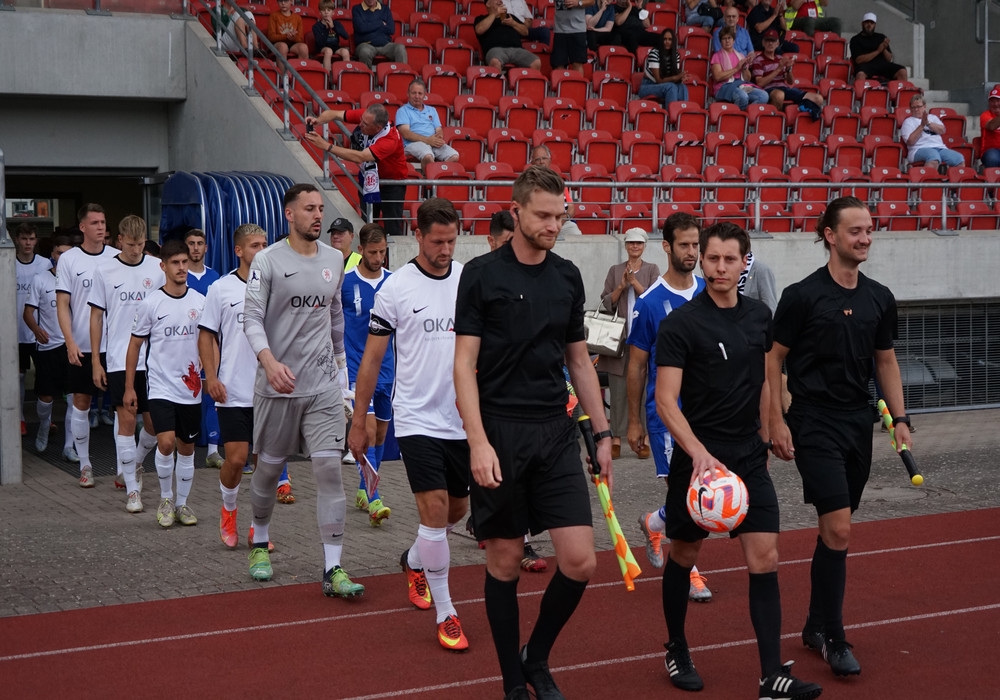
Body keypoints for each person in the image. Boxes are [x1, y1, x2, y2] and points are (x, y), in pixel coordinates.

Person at [454, 166, 613, 700]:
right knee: (504, 563)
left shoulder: (567, 276)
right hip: (499, 433)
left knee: (581, 561)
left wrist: (603, 434)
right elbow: (463, 364)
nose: (553, 225)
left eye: (560, 216)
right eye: (543, 216)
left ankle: (536, 656)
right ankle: (511, 683)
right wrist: (478, 442)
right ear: (516, 211)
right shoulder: (480, 275)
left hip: (555, 432)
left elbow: (579, 361)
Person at [654, 221, 823, 700]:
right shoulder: (680, 324)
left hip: (748, 456)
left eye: (730, 259)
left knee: (765, 557)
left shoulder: (760, 316)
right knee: (684, 555)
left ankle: (772, 676)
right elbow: (666, 400)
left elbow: (767, 380)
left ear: (744, 262)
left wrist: (770, 434)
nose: (720, 267)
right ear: (702, 261)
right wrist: (697, 452)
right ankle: (676, 647)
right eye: (713, 258)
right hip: (698, 461)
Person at [766, 196, 912, 678]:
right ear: (830, 235)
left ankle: (813, 625)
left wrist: (901, 418)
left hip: (857, 423)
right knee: (841, 528)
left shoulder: (879, 297)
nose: (865, 238)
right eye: (855, 231)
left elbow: (885, 361)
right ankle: (833, 636)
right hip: (812, 421)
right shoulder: (802, 295)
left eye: (869, 230)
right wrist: (776, 420)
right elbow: (773, 358)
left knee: (835, 531)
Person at [348, 198, 469, 650]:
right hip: (416, 417)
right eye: (437, 241)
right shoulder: (395, 288)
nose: (445, 250)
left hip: (461, 420)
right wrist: (358, 419)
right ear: (417, 236)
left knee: (457, 510)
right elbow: (371, 359)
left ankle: (416, 559)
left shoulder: (468, 280)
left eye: (451, 241)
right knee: (434, 511)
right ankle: (447, 612)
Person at [242, 183, 364, 598]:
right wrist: (269, 362)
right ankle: (260, 541)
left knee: (329, 470)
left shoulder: (334, 259)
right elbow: (251, 319)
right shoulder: (267, 260)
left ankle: (333, 568)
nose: (318, 215)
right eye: (309, 208)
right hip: (278, 387)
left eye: (320, 208)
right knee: (268, 470)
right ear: (289, 214)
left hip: (322, 386)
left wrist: (342, 373)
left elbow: (335, 317)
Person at [627, 212, 712, 603]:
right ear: (667, 247)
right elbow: (636, 365)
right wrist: (633, 422)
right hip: (666, 414)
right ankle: (690, 571)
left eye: (696, 245)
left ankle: (654, 521)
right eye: (684, 245)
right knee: (686, 493)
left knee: (693, 493)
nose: (692, 252)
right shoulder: (649, 303)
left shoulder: (709, 291)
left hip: (707, 412)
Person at [480, 208, 549, 573]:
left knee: (513, 476)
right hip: (479, 397)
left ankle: (520, 540)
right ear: (491, 241)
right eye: (507, 242)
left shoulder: (534, 280)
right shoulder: (477, 279)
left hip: (519, 403)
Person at [198, 224, 272, 549]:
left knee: (266, 466)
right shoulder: (221, 288)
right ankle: (228, 510)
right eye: (255, 245)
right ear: (238, 250)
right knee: (238, 460)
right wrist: (211, 377)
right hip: (233, 390)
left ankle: (259, 528)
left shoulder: (276, 286)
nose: (261, 250)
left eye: (265, 244)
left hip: (269, 390)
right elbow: (206, 335)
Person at [123, 239, 206, 529]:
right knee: (167, 442)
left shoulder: (200, 301)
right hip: (160, 386)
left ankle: (182, 503)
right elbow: (134, 346)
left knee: (187, 447)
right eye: (175, 263)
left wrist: (212, 374)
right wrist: (130, 387)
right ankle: (166, 499)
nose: (181, 267)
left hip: (191, 388)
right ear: (163, 266)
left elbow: (209, 342)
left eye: (184, 262)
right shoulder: (151, 303)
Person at [88, 215, 164, 512]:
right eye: (131, 244)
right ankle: (132, 491)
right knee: (127, 419)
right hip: (120, 358)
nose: (136, 250)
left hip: (154, 359)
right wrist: (96, 361)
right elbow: (96, 318)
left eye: (141, 244)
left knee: (155, 424)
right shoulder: (105, 271)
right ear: (120, 240)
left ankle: (135, 463)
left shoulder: (156, 269)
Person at [56, 204, 118, 487]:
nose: (101, 227)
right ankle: (85, 465)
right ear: (82, 227)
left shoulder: (116, 257)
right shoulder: (69, 259)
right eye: (95, 223)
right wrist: (69, 342)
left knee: (121, 407)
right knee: (81, 403)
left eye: (103, 222)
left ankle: (124, 467)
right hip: (81, 344)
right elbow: (63, 304)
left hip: (114, 347)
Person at [341, 223, 394, 527]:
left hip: (387, 370)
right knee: (369, 431)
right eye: (373, 252)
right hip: (357, 369)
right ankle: (375, 500)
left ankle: (363, 491)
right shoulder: (346, 283)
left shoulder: (393, 282)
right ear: (360, 250)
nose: (378, 258)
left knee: (381, 435)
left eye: (382, 252)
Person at [599, 227, 660, 460]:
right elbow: (606, 303)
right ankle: (616, 438)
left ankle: (643, 438)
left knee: (644, 389)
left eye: (639, 243)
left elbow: (654, 300)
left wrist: (634, 283)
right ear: (625, 245)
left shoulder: (652, 269)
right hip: (619, 340)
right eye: (631, 243)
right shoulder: (615, 270)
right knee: (617, 390)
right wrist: (621, 286)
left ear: (644, 245)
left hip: (644, 339)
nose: (635, 246)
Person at [305, 104, 408, 237]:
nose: (360, 125)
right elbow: (333, 113)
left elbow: (360, 157)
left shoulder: (390, 140)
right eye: (361, 120)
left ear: (377, 128)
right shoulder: (367, 116)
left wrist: (327, 146)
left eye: (365, 124)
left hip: (391, 184)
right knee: (368, 223)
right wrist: (317, 120)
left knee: (392, 227)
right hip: (369, 178)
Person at [23, 235, 75, 457]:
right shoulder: (41, 279)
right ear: (52, 255)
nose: (62, 257)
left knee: (74, 398)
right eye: (59, 253)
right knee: (46, 398)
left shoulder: (78, 280)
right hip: (48, 348)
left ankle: (69, 446)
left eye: (67, 253)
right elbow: (28, 313)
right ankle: (44, 425)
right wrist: (36, 330)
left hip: (74, 347)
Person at [184, 229, 225, 471]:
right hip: (183, 345)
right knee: (185, 397)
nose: (196, 248)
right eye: (191, 243)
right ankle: (183, 446)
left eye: (200, 243)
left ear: (206, 248)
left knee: (211, 394)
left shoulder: (215, 277)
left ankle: (212, 450)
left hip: (209, 345)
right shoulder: (180, 275)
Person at [14, 223, 52, 437]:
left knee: (44, 378)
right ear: (17, 240)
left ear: (36, 240)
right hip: (17, 333)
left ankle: (46, 420)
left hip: (40, 333)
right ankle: (19, 419)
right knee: (19, 378)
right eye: (24, 239)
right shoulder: (9, 263)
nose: (27, 243)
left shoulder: (44, 264)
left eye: (31, 239)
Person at [751, 29, 824, 114]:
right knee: (779, 95)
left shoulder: (780, 58)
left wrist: (789, 69)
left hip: (785, 88)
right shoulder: (758, 60)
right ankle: (776, 119)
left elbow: (790, 81)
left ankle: (801, 110)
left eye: (773, 41)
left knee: (818, 99)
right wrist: (778, 69)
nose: (770, 43)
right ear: (763, 43)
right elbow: (760, 83)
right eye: (767, 40)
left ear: (777, 43)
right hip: (768, 89)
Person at [395, 78, 460, 167]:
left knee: (454, 156)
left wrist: (439, 137)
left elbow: (438, 129)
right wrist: (428, 140)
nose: (417, 96)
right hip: (412, 143)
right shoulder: (402, 111)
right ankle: (431, 175)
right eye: (414, 93)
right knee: (428, 156)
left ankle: (436, 172)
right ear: (408, 94)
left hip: (432, 142)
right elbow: (406, 134)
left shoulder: (432, 110)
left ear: (424, 95)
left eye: (420, 93)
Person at [529, 146, 582, 237]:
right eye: (537, 159)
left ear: (550, 160)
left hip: (562, 222)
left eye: (544, 158)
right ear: (532, 163)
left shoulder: (558, 181)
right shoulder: (527, 182)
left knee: (575, 233)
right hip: (539, 223)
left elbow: (571, 208)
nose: (541, 162)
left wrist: (561, 220)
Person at [475, 0, 542, 72]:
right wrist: (494, 14)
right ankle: (498, 79)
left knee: (536, 62)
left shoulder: (511, 17)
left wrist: (513, 23)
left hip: (517, 50)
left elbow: (525, 32)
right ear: (488, 4)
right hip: (496, 50)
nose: (500, 1)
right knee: (495, 62)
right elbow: (479, 30)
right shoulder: (481, 18)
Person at [900, 95, 965, 169]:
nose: (916, 109)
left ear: (924, 107)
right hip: (918, 149)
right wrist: (921, 126)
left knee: (959, 159)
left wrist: (928, 123)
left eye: (918, 107)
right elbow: (910, 142)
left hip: (939, 147)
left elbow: (942, 130)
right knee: (933, 156)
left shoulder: (933, 117)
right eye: (913, 107)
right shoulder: (908, 121)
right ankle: (929, 176)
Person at [710, 26, 768, 109]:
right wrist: (736, 69)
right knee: (743, 96)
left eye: (729, 38)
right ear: (720, 42)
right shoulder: (717, 56)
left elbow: (747, 79)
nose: (727, 41)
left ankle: (747, 114)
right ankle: (738, 115)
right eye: (724, 38)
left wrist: (744, 68)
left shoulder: (740, 56)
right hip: (723, 87)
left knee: (764, 96)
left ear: (733, 40)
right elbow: (717, 77)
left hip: (741, 85)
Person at [637, 27, 691, 108]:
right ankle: (670, 114)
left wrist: (680, 78)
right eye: (665, 39)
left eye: (670, 39)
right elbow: (659, 80)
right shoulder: (654, 53)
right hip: (648, 85)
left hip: (666, 84)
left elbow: (673, 74)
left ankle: (682, 113)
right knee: (671, 87)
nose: (667, 42)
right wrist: (676, 77)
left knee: (682, 87)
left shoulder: (676, 55)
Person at [849, 12, 907, 83]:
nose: (869, 25)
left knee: (902, 71)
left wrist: (884, 48)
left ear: (875, 25)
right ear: (862, 24)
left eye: (872, 23)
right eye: (867, 22)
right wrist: (878, 51)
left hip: (882, 65)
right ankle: (861, 90)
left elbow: (889, 59)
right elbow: (858, 60)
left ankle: (901, 90)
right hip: (865, 66)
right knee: (860, 75)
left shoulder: (881, 37)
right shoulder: (855, 39)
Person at [352, 0, 408, 68]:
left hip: (385, 45)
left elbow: (391, 29)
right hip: (366, 44)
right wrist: (380, 23)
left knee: (400, 48)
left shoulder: (385, 9)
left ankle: (402, 73)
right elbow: (361, 28)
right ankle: (367, 74)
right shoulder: (357, 9)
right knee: (365, 52)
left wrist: (368, 25)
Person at [552, 0, 593, 74]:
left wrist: (578, 3)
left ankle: (578, 82)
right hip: (560, 29)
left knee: (577, 63)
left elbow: (592, 1)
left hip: (577, 29)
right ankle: (560, 82)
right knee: (559, 64)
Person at [313, 0, 351, 75]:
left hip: (335, 47)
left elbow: (346, 36)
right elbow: (320, 43)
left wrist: (333, 27)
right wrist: (327, 29)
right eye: (323, 10)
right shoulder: (316, 26)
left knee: (345, 52)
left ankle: (346, 75)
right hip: (323, 48)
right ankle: (327, 75)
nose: (326, 12)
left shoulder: (337, 24)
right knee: (328, 51)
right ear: (320, 12)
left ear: (333, 13)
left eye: (329, 10)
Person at [980, 86, 1000, 168]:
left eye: (998, 100)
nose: (995, 104)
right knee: (992, 158)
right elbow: (991, 126)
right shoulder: (985, 115)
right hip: (991, 151)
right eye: (992, 101)